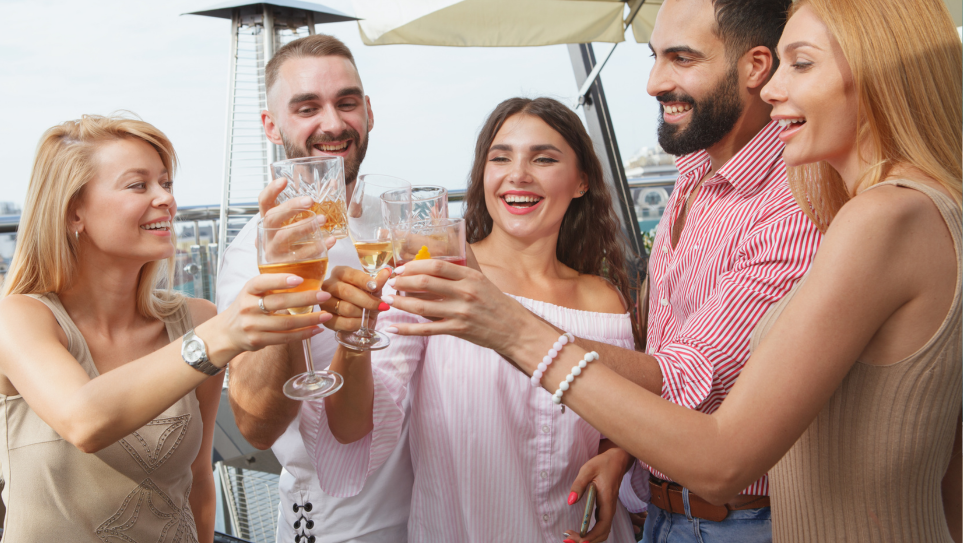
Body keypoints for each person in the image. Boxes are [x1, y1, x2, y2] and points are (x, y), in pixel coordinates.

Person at [382, 0, 963, 541]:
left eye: (800, 64)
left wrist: (510, 326)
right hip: (667, 510)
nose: (776, 87)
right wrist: (623, 451)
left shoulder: (873, 213)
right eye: (655, 56)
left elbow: (715, 440)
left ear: (878, 71)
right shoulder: (699, 174)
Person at [300, 97, 640, 542]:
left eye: (544, 158)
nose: (518, 173)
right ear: (484, 176)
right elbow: (350, 429)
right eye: (501, 158)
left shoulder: (605, 302)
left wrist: (618, 456)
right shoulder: (434, 274)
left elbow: (631, 415)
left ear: (581, 182)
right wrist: (352, 339)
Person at [0, 114, 330, 542]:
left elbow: (198, 479)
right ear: (73, 212)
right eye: (139, 185)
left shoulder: (194, 319)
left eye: (167, 183)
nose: (166, 200)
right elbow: (84, 420)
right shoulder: (19, 317)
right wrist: (219, 336)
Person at [215, 33, 412, 543]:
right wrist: (282, 297)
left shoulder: (399, 223)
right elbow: (255, 426)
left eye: (346, 102)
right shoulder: (250, 254)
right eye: (308, 107)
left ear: (367, 111)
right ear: (271, 126)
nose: (332, 123)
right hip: (339, 524)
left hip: (440, 507)